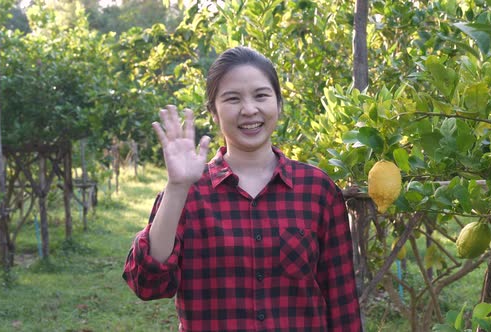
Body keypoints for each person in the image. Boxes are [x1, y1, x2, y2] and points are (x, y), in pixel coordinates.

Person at [123, 46, 362, 331]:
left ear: (278, 104)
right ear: (213, 112)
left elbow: (342, 304)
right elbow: (148, 285)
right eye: (233, 99)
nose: (249, 110)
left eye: (261, 95)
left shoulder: (317, 191)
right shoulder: (189, 193)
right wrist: (176, 188)